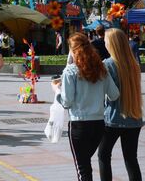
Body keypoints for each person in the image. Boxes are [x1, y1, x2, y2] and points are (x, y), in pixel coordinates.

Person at [53, 32, 119, 181]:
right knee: (85, 164)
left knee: (83, 169)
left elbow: (67, 102)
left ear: (72, 49)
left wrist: (57, 91)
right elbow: (114, 95)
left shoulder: (70, 71)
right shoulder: (101, 68)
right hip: (99, 124)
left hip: (79, 124)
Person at [99, 29, 143, 181]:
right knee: (131, 159)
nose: (104, 43)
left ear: (111, 44)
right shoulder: (134, 64)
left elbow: (102, 90)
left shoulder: (107, 64)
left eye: (106, 40)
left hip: (113, 118)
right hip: (134, 117)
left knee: (103, 155)